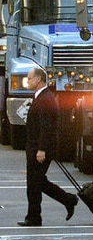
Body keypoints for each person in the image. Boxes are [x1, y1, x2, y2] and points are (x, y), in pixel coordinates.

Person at [18, 67, 78, 226]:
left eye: (29, 78)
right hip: (35, 147)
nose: (27, 81)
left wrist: (42, 149)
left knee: (34, 184)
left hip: (39, 149)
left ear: (38, 79)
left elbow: (47, 127)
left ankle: (34, 217)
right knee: (38, 182)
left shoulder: (45, 99)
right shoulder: (41, 97)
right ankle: (68, 200)